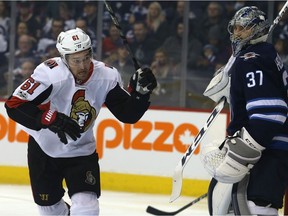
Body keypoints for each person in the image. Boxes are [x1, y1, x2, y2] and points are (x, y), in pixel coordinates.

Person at [4, 28, 157, 215]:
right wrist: (47, 118)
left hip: (81, 151)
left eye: (86, 58)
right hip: (44, 149)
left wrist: (140, 94)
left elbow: (128, 115)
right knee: (49, 209)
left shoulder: (106, 76)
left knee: (87, 209)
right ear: (64, 58)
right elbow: (13, 105)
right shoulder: (50, 74)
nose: (83, 66)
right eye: (76, 61)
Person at [200, 6, 288, 215]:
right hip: (273, 148)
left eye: (243, 29)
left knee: (256, 207)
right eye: (236, 28)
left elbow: (271, 113)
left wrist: (244, 150)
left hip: (268, 150)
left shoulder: (251, 59)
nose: (237, 33)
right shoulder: (264, 54)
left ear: (257, 29)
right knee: (242, 205)